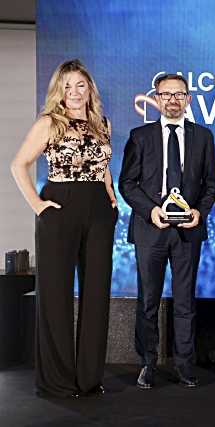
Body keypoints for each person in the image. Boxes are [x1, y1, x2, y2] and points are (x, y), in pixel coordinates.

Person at [11, 59, 117, 398]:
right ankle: (57, 380)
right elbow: (18, 165)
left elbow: (102, 166)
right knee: (56, 294)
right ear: (60, 91)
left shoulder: (102, 123)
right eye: (66, 86)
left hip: (99, 210)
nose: (73, 92)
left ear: (89, 89)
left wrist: (111, 195)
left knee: (96, 293)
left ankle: (89, 379)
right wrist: (39, 206)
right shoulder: (49, 123)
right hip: (60, 205)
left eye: (79, 85)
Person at [119, 73, 215, 389]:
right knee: (148, 299)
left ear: (188, 99)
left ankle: (184, 366)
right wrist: (152, 210)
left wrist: (199, 212)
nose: (173, 100)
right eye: (166, 94)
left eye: (179, 94)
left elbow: (211, 185)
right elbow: (127, 184)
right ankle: (147, 363)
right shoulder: (140, 136)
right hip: (151, 229)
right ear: (157, 99)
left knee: (185, 300)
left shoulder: (204, 137)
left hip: (187, 231)